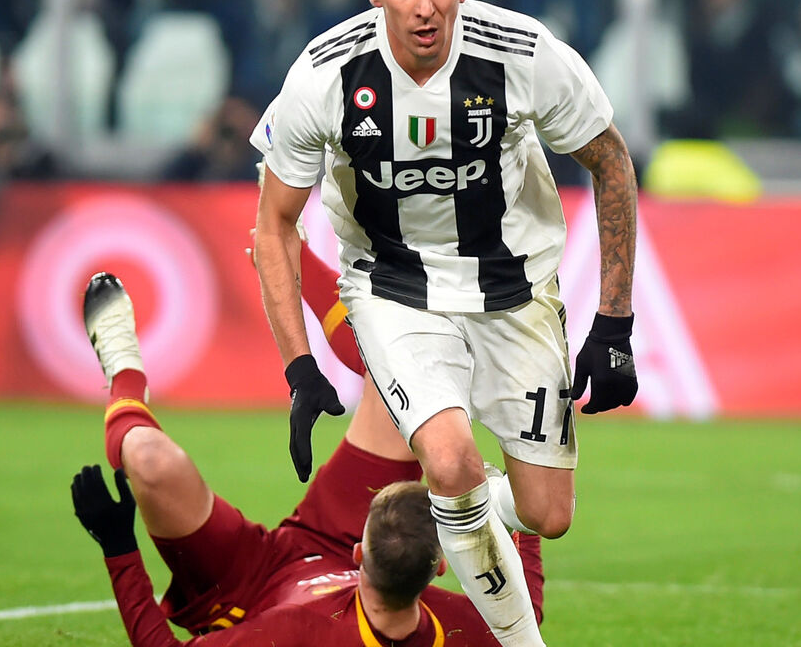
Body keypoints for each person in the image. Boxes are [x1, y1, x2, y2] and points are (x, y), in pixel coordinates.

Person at [250, 0, 639, 647]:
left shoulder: (523, 53)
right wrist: (299, 365)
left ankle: (423, 512)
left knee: (547, 515)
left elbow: (612, 163)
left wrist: (614, 322)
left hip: (513, 293)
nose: (424, 7)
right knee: (452, 460)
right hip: (393, 290)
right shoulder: (326, 75)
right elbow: (273, 224)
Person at [73, 271, 543, 646]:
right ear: (442, 567)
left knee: (149, 459)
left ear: (360, 553)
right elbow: (525, 610)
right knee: (407, 377)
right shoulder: (479, 627)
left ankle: (123, 369)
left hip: (241, 587)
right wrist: (513, 498)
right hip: (333, 537)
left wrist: (119, 548)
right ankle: (293, 253)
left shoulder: (296, 634)